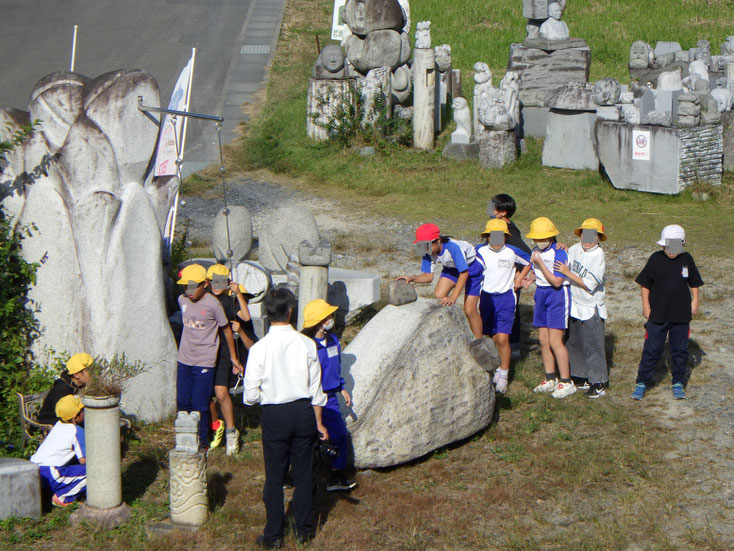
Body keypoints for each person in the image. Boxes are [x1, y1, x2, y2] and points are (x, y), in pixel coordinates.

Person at [244, 287, 329, 549]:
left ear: (267, 313)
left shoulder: (259, 348)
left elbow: (249, 395)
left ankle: (273, 535)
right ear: (291, 310)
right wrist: (319, 422)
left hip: (274, 413)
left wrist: (267, 395)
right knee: (303, 473)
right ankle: (304, 530)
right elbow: (317, 391)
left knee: (275, 476)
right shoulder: (307, 344)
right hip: (303, 411)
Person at [631, 225, 703, 400]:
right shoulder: (655, 259)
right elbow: (645, 284)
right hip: (658, 314)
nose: (670, 250)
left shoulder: (687, 259)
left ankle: (678, 382)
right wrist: (646, 306)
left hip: (681, 314)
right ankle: (642, 382)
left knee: (679, 350)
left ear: (683, 244)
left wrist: (695, 301)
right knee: (652, 349)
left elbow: (694, 282)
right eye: (667, 246)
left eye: (675, 246)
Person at [177, 264, 243, 449]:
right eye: (185, 286)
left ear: (204, 284)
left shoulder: (214, 305)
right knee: (183, 401)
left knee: (200, 402)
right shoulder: (182, 300)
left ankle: (203, 441)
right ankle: (183, 437)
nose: (188, 291)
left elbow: (227, 331)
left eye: (193, 286)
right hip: (184, 359)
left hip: (205, 360)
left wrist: (233, 357)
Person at [301, 299, 357, 492]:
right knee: (307, 438)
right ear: (318, 321)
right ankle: (299, 473)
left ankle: (335, 474)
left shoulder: (333, 340)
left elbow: (336, 367)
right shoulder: (306, 345)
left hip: (330, 397)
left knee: (340, 433)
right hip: (309, 398)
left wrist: (342, 387)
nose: (331, 319)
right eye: (328, 316)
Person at [397, 223, 484, 338]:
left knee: (469, 309)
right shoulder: (426, 251)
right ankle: (453, 325)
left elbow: (464, 273)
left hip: (472, 269)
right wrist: (412, 278)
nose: (424, 248)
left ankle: (479, 341)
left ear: (438, 240)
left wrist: (453, 297)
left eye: (427, 245)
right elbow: (428, 277)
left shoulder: (453, 248)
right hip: (452, 269)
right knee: (439, 294)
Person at [475, 219, 531, 394]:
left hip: (506, 298)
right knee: (491, 336)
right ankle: (494, 367)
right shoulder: (479, 251)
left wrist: (520, 277)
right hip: (486, 298)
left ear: (506, 237)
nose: (497, 239)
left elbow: (532, 259)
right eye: (493, 235)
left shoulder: (513, 251)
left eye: (501, 236)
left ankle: (504, 375)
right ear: (488, 236)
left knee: (503, 338)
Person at [206, 264, 257, 455]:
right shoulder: (205, 299)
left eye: (220, 281)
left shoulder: (229, 300)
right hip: (205, 351)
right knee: (206, 395)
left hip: (224, 352)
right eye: (212, 281)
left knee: (220, 393)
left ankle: (231, 431)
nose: (216, 285)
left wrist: (238, 293)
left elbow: (245, 315)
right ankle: (214, 426)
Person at [555, 218, 608, 398]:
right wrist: (560, 246)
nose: (587, 239)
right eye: (584, 234)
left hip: (591, 306)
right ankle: (582, 375)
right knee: (575, 342)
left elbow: (589, 284)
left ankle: (598, 381)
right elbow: (566, 256)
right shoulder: (576, 248)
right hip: (574, 303)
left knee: (594, 345)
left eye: (592, 235)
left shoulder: (598, 255)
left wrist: (567, 273)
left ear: (599, 238)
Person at [526, 217, 575, 399]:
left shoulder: (559, 253)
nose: (539, 242)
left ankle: (566, 381)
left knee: (556, 341)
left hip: (557, 295)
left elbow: (556, 281)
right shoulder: (534, 251)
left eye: (542, 238)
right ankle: (550, 377)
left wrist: (540, 265)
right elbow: (535, 271)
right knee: (543, 339)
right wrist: (530, 278)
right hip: (541, 294)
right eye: (536, 239)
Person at [490, 194, 533, 358]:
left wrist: (520, 277)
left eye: (493, 206)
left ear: (502, 212)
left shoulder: (509, 231)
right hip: (500, 276)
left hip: (511, 278)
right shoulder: (497, 226)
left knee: (511, 311)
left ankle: (513, 346)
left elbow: (527, 254)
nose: (489, 209)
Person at [30, 395, 86, 507]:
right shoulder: (77, 430)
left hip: (34, 469)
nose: (85, 412)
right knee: (95, 472)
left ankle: (50, 493)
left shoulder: (57, 426)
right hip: (51, 472)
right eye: (82, 410)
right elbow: (84, 460)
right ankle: (63, 497)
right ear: (76, 417)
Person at [37, 353, 93, 426]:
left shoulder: (79, 385)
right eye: (89, 370)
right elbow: (66, 419)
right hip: (53, 426)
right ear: (76, 374)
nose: (93, 374)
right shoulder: (62, 390)